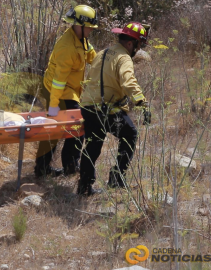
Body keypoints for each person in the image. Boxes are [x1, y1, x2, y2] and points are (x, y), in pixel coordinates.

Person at [77, 22, 151, 196]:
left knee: (93, 145)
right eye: (139, 45)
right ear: (131, 43)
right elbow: (128, 81)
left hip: (88, 106)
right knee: (130, 134)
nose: (138, 50)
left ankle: (84, 187)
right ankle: (116, 178)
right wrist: (142, 103)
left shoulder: (102, 53)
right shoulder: (124, 58)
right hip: (107, 109)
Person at [34, 5, 98, 177]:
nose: (91, 30)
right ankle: (48, 167)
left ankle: (68, 164)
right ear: (79, 25)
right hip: (57, 91)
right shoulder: (66, 47)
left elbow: (92, 56)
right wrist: (54, 106)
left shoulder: (81, 39)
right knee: (62, 126)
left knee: (72, 126)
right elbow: (58, 81)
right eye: (89, 27)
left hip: (71, 89)